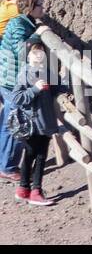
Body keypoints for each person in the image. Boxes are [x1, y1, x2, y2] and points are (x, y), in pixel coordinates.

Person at [12, 41, 65, 206]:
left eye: (41, 51)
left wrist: (66, 80)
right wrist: (34, 89)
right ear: (28, 55)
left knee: (36, 155)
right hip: (32, 123)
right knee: (35, 156)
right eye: (35, 52)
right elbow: (17, 97)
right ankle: (35, 191)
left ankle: (25, 189)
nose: (38, 55)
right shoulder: (24, 74)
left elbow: (58, 89)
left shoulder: (47, 72)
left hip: (46, 122)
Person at [0, 0, 41, 182]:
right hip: (11, 80)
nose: (43, 8)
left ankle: (4, 161)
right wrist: (36, 35)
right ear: (31, 7)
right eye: (40, 4)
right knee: (15, 122)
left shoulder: (20, 20)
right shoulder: (18, 24)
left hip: (8, 77)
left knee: (9, 118)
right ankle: (8, 167)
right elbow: (21, 51)